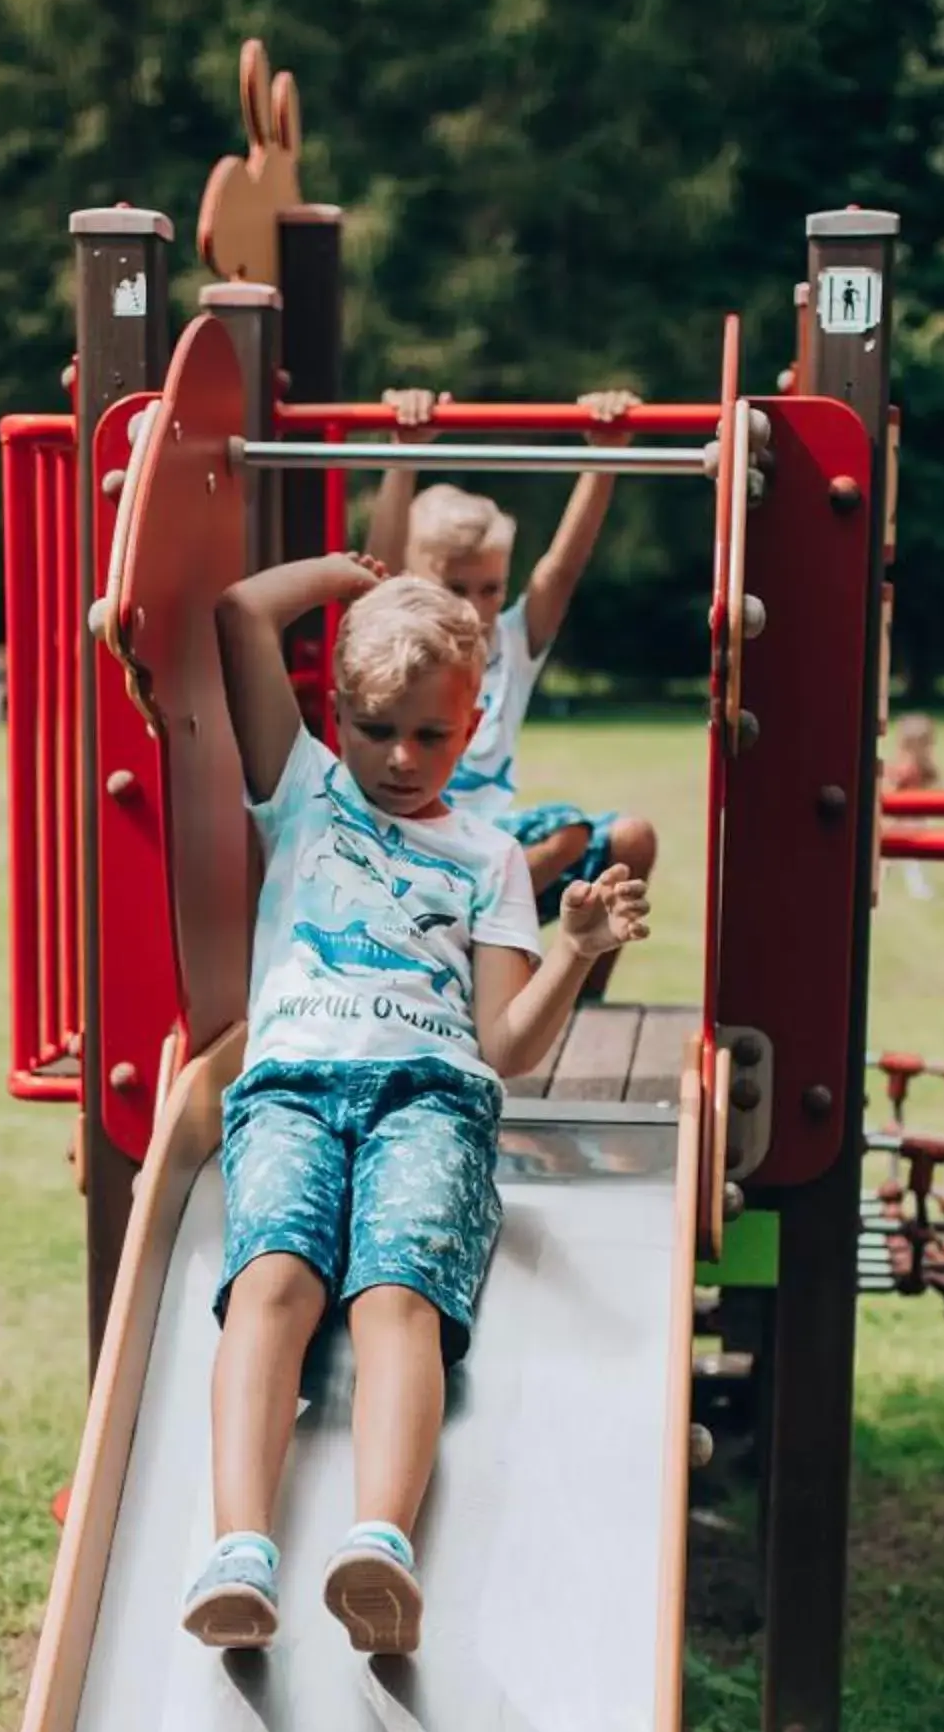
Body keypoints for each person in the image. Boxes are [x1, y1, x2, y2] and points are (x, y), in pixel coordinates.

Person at [181, 554, 651, 1657]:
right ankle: (238, 1549)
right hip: (289, 1087)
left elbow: (504, 1050)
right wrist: (344, 576)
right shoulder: (301, 790)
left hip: (432, 1100)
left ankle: (377, 1543)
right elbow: (240, 610)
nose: (399, 759)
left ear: (472, 719)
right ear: (334, 713)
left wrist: (573, 952)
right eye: (374, 727)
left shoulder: (489, 858)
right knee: (271, 1282)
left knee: (399, 1298)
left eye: (430, 737)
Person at [367, 390, 659, 977]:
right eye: (455, 588)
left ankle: (580, 999)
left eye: (490, 589)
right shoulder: (396, 639)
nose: (474, 607)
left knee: (622, 841)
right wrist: (403, 453)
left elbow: (562, 565)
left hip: (494, 847)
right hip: (413, 843)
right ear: (412, 579)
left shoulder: (511, 641)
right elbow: (375, 564)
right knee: (515, 851)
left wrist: (604, 455)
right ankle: (455, 933)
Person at [884, 712, 940, 900]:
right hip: (911, 818)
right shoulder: (915, 767)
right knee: (908, 857)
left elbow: (893, 786)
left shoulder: (912, 766)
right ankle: (917, 888)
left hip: (910, 818)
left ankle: (909, 886)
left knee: (897, 856)